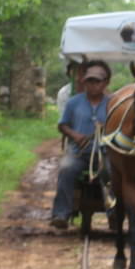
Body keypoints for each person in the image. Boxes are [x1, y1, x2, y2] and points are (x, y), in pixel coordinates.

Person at [50, 60, 111, 229]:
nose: (93, 85)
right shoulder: (73, 102)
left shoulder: (112, 103)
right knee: (66, 169)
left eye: (97, 81)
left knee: (113, 172)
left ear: (105, 83)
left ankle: (114, 213)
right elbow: (62, 125)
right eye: (89, 81)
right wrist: (75, 135)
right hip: (78, 153)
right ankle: (61, 214)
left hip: (104, 154)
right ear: (84, 82)